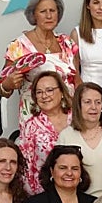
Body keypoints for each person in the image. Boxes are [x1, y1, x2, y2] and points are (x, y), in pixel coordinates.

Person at [0, 0, 77, 122]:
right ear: (34, 15)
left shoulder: (68, 43)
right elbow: (2, 88)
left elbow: (77, 81)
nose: (49, 16)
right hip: (35, 120)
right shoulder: (18, 46)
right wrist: (7, 84)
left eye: (52, 10)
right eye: (43, 11)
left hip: (68, 118)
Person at [59, 83, 102, 197]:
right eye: (87, 102)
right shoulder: (66, 136)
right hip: (81, 201)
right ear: (78, 106)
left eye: (98, 102)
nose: (94, 107)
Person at [17, 68, 74, 196]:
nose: (44, 96)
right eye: (39, 92)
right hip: (44, 194)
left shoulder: (77, 119)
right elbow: (25, 168)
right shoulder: (31, 126)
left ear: (62, 92)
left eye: (49, 90)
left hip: (79, 191)